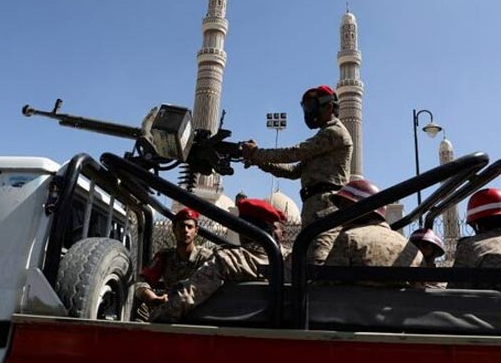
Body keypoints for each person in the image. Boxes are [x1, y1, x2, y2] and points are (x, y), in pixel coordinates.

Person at [242, 85, 352, 265]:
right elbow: (293, 171)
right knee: (304, 263)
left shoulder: (334, 133)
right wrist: (258, 161)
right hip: (313, 208)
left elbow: (295, 153)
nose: (308, 113)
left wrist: (257, 153)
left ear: (329, 107)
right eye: (306, 107)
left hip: (327, 208)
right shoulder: (323, 137)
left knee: (316, 263)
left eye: (311, 107)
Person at [150, 198, 285, 323]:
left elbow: (189, 296)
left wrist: (156, 316)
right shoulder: (289, 260)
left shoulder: (229, 260)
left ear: (243, 230)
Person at [324, 179, 423, 286]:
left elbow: (326, 286)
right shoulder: (413, 250)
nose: (341, 213)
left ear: (363, 209)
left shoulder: (349, 239)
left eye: (345, 206)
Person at [133, 208, 214, 320]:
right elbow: (142, 280)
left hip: (197, 310)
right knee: (140, 310)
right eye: (181, 226)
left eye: (190, 227)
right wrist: (151, 297)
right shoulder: (165, 256)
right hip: (170, 307)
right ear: (174, 230)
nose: (185, 230)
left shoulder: (206, 258)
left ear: (196, 231)